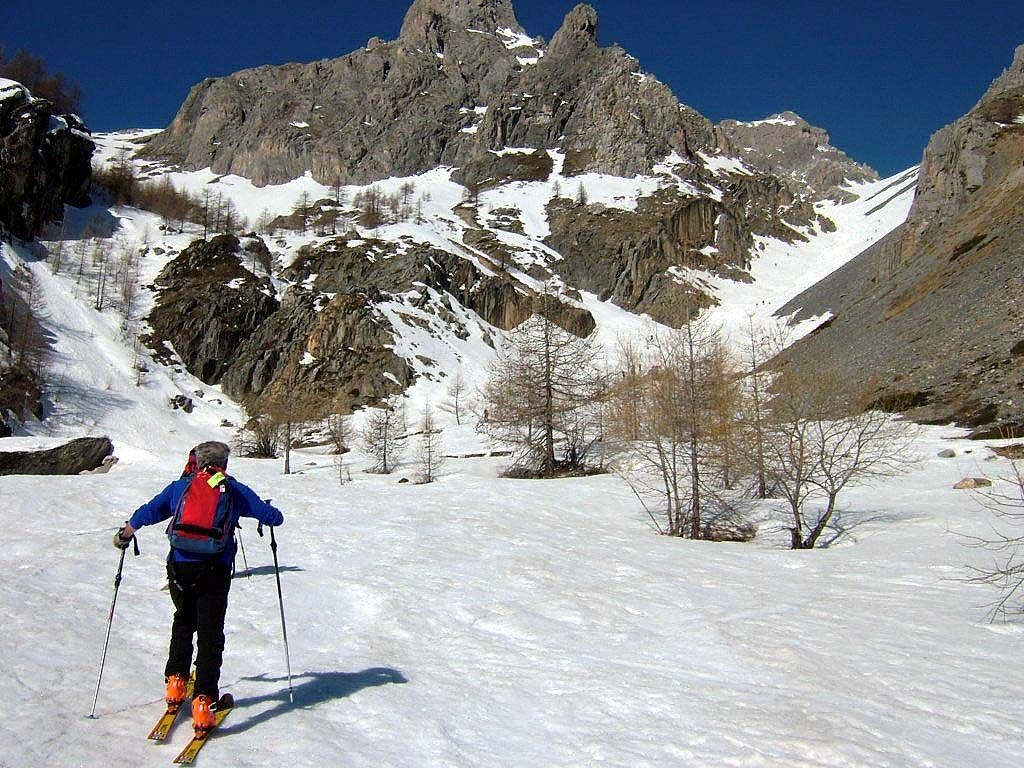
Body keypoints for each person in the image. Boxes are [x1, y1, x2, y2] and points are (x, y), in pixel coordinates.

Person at [114, 440, 283, 731]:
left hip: (179, 566)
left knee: (183, 620)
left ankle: (176, 684)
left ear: (198, 461)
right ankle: (204, 702)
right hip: (214, 569)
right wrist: (267, 509)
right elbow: (273, 518)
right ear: (224, 464)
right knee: (210, 632)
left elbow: (150, 511)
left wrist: (126, 532)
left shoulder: (182, 486)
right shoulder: (233, 489)